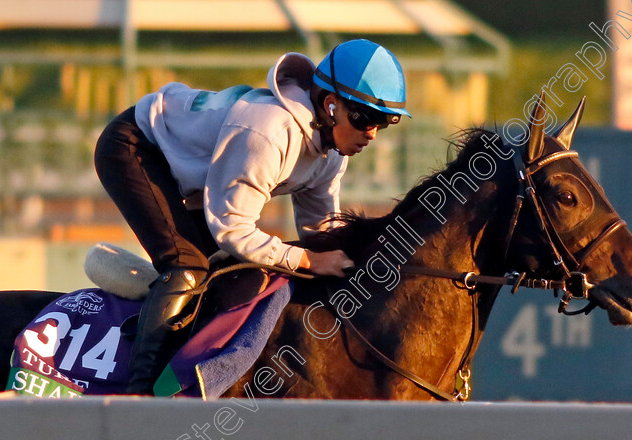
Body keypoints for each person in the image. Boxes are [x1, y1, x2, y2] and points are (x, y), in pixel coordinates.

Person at [93, 39, 410, 394]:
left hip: (196, 178)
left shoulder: (332, 153)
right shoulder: (269, 132)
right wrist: (306, 259)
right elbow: (233, 229)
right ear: (331, 105)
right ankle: (139, 395)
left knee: (227, 272)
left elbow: (320, 232)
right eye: (365, 118)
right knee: (187, 266)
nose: (372, 133)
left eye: (384, 123)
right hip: (134, 147)